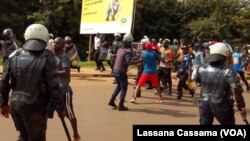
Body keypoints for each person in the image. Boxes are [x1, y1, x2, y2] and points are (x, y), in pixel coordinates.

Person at [0, 23, 65, 141]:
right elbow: (54, 86)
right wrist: (60, 107)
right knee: (38, 138)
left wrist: (3, 103)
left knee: (23, 137)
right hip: (35, 106)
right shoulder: (47, 56)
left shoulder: (14, 55)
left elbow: (4, 82)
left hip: (14, 104)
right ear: (45, 37)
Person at [192, 42, 247, 125]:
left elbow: (198, 80)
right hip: (221, 104)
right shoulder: (228, 70)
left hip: (204, 103)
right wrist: (241, 106)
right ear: (225, 55)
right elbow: (235, 89)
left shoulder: (201, 68)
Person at [52, 37, 81, 141]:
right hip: (53, 89)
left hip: (64, 90)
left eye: (57, 43)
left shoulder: (64, 57)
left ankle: (76, 135)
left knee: (69, 113)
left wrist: (52, 72)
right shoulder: (51, 55)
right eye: (54, 43)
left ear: (62, 45)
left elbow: (66, 72)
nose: (55, 45)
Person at [108, 33, 138, 111]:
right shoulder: (127, 51)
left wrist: (134, 59)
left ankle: (111, 101)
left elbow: (124, 59)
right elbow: (128, 61)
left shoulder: (120, 50)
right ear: (128, 43)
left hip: (115, 70)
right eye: (130, 42)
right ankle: (121, 105)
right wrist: (140, 60)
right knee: (124, 87)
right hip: (121, 72)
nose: (131, 44)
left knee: (119, 86)